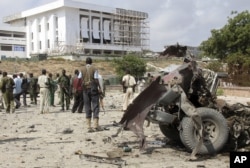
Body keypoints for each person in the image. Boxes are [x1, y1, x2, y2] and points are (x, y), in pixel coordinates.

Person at [80, 57, 102, 132]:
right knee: (95, 105)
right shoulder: (94, 69)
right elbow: (96, 79)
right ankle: (95, 125)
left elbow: (80, 78)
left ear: (86, 62)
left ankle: (88, 126)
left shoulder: (81, 69)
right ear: (91, 62)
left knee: (87, 106)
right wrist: (99, 87)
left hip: (85, 89)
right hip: (93, 88)